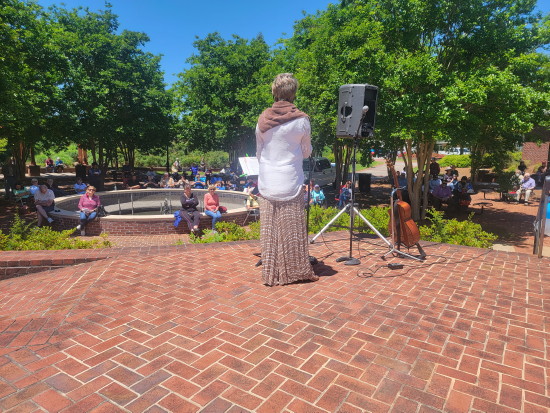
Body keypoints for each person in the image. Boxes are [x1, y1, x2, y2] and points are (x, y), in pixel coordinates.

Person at [256, 73, 318, 286]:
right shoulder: (302, 120)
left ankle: (271, 271)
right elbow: (307, 152)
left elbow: (259, 152)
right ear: (294, 93)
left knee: (270, 230)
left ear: (274, 92)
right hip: (290, 180)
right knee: (292, 229)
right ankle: (295, 270)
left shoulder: (262, 119)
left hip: (267, 180)